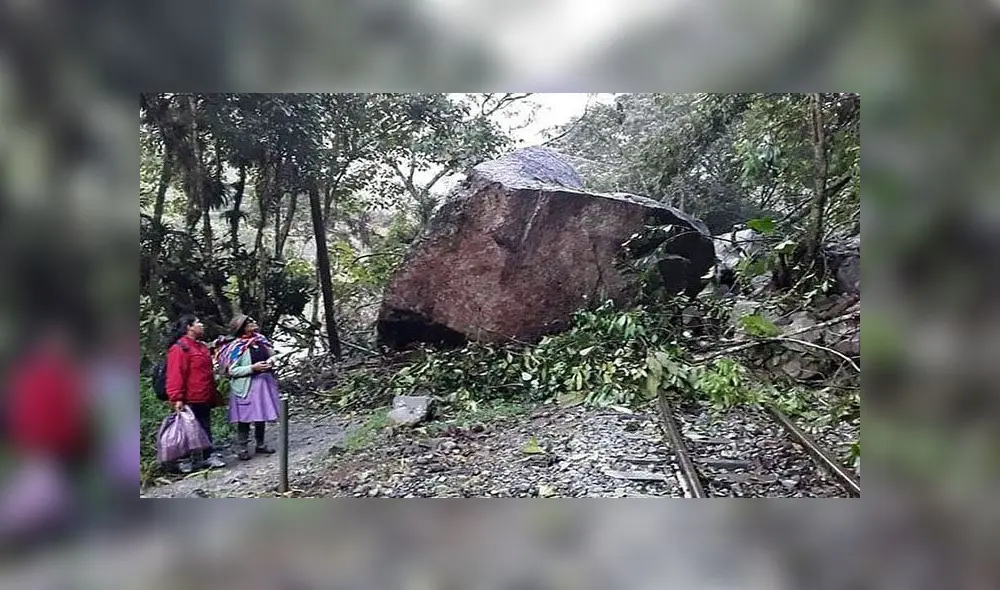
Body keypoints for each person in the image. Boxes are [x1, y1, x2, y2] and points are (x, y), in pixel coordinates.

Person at [165, 315, 226, 472]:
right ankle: (184, 460)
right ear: (189, 327)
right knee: (186, 428)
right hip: (188, 397)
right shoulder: (179, 348)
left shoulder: (201, 347)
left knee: (204, 426)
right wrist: (177, 397)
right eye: (198, 322)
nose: (202, 325)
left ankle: (207, 456)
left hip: (203, 395)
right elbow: (175, 374)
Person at [214, 315, 279, 461]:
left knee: (260, 415)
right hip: (246, 387)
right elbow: (232, 370)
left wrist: (271, 362)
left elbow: (273, 355)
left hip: (263, 384)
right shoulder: (237, 347)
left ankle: (260, 444)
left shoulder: (260, 340)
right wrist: (252, 368)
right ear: (242, 327)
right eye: (250, 322)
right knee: (244, 418)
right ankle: (242, 448)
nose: (254, 323)